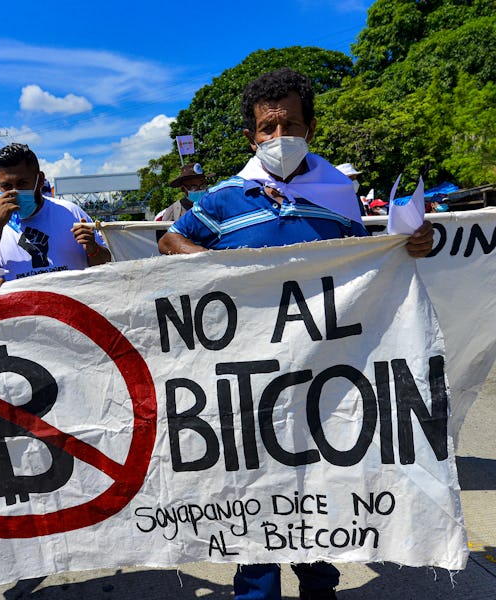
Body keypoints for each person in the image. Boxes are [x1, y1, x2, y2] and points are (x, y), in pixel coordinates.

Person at [159, 68, 433, 600]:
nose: (277, 137)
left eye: (289, 124)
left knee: (319, 487)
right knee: (258, 490)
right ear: (250, 135)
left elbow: (365, 264)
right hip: (250, 379)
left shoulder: (339, 196)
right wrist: (226, 270)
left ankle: (319, 585)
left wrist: (408, 246)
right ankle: (255, 591)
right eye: (266, 127)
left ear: (310, 126)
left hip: (324, 379)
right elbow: (170, 243)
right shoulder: (222, 199)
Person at [0, 143, 111, 285]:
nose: (15, 192)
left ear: (40, 180)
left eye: (22, 183)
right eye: (6, 186)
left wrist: (93, 248)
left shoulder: (71, 213)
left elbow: (108, 267)